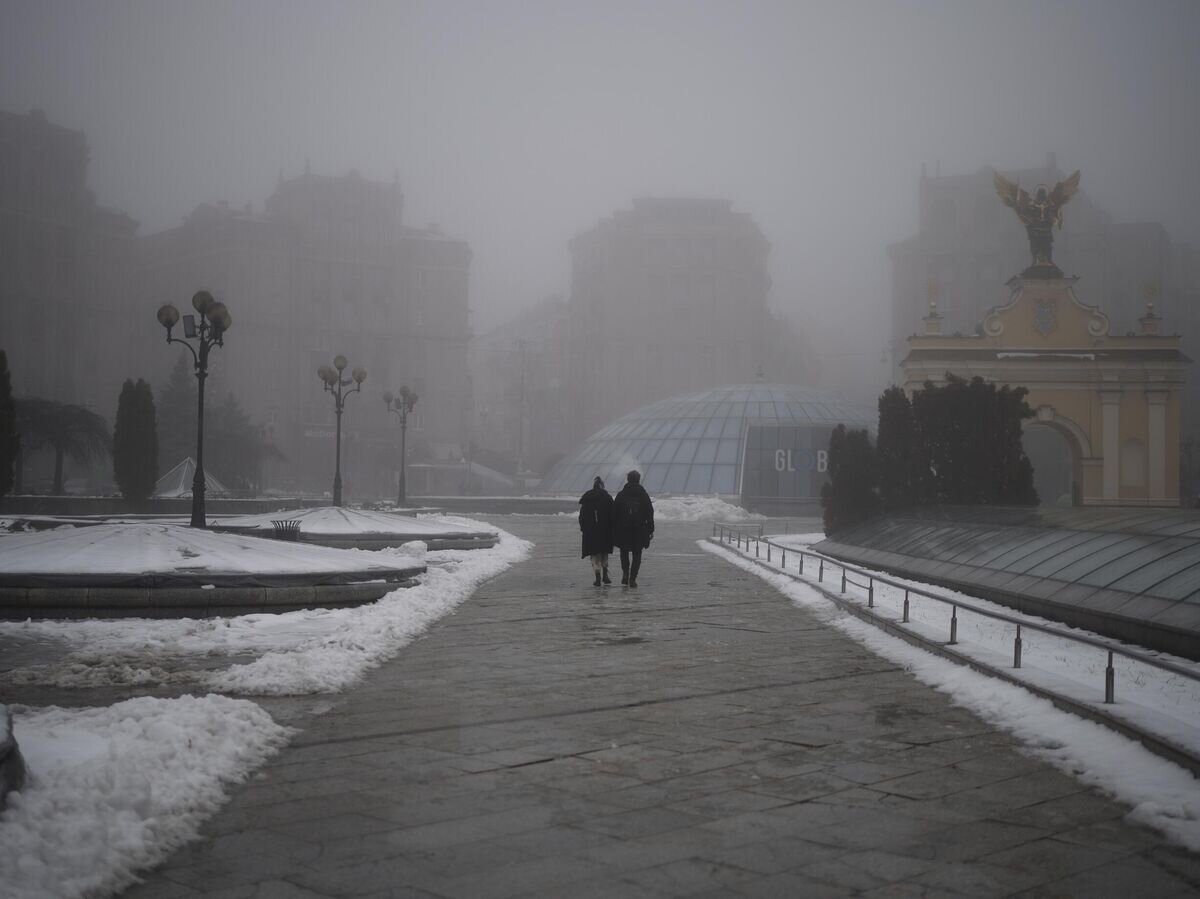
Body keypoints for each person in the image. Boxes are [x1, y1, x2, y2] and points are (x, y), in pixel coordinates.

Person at [612, 469, 654, 587]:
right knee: (637, 554)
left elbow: (614, 513)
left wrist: (614, 529)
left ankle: (625, 573)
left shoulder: (621, 495)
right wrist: (651, 529)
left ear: (628, 479)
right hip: (639, 530)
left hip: (623, 529)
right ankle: (633, 578)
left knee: (624, 552)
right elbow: (649, 513)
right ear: (638, 480)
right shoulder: (643, 495)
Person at [578, 476, 614, 586]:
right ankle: (605, 576)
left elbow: (582, 516)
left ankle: (597, 577)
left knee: (594, 555)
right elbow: (613, 515)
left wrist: (584, 528)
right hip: (605, 531)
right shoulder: (607, 498)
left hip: (591, 531)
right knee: (604, 553)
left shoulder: (587, 498)